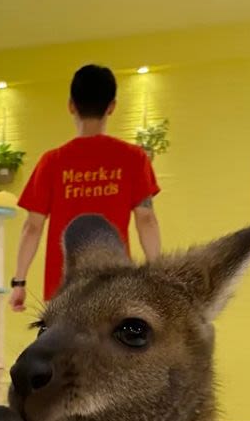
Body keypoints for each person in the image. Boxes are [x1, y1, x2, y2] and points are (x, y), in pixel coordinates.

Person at [9, 64, 161, 312]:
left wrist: (19, 282)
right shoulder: (134, 158)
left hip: (65, 286)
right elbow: (147, 220)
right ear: (111, 106)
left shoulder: (52, 161)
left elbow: (32, 227)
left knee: (63, 350)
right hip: (114, 283)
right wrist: (157, 279)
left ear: (71, 105)